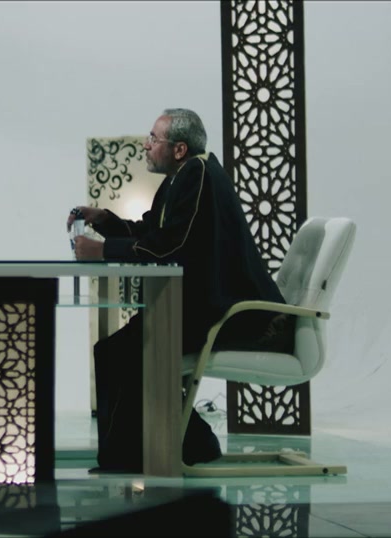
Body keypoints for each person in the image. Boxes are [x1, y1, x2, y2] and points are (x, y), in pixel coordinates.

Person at [67, 108, 294, 473]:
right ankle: (183, 444)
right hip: (208, 309)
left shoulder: (197, 175)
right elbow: (150, 233)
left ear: (179, 149)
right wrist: (104, 219)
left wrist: (103, 250)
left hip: (232, 316)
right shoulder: (182, 177)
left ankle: (148, 454)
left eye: (153, 139)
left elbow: (171, 246)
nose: (146, 145)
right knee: (119, 350)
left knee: (123, 352)